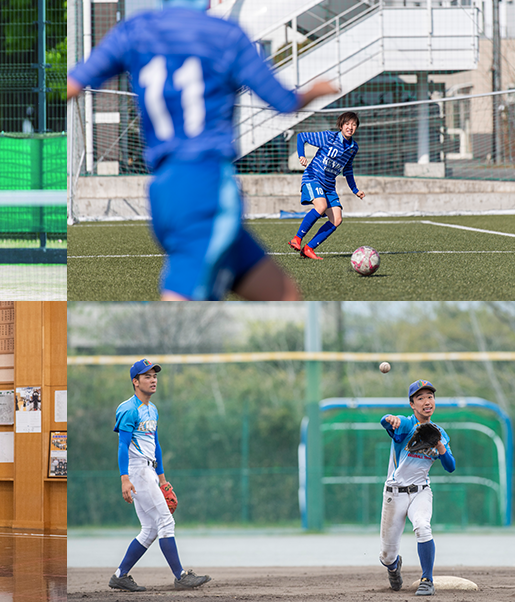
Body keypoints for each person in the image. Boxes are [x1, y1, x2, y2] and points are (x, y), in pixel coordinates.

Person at [65, 0, 338, 301]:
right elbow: (284, 102)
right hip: (205, 187)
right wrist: (316, 90)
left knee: (285, 295)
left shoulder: (134, 30)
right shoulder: (226, 35)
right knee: (179, 308)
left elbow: (73, 84)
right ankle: (138, 348)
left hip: (165, 188)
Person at [108, 359, 210, 592]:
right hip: (137, 470)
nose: (153, 380)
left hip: (150, 471)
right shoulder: (128, 409)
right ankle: (181, 576)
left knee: (150, 529)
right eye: (147, 376)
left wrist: (162, 478)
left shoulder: (152, 409)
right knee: (165, 522)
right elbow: (123, 446)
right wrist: (125, 478)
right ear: (135, 381)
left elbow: (155, 444)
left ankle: (120, 575)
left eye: (154, 376)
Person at [378, 380, 456, 596]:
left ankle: (426, 579)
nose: (426, 401)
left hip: (421, 491)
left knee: (422, 526)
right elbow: (386, 422)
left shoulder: (440, 433)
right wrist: (389, 419)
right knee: (387, 555)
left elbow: (450, 466)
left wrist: (440, 446)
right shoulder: (405, 425)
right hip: (395, 494)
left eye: (430, 396)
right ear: (412, 404)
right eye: (420, 398)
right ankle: (394, 567)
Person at [289, 112, 366, 259]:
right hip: (313, 178)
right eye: (347, 124)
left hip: (329, 185)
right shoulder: (329, 137)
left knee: (337, 219)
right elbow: (301, 137)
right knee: (321, 206)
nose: (350, 127)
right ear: (341, 125)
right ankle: (297, 238)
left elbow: (348, 170)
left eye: (354, 124)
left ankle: (308, 248)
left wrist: (355, 190)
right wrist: (301, 155)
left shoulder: (353, 147)